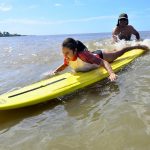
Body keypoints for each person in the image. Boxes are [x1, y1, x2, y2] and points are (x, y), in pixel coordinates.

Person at [53, 38, 148, 81]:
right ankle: (115, 49)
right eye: (63, 53)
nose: (65, 56)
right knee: (114, 51)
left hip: (101, 55)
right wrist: (55, 72)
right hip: (92, 55)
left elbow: (103, 62)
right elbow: (64, 65)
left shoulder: (84, 56)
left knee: (120, 53)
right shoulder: (68, 58)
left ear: (75, 50)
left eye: (67, 53)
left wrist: (111, 73)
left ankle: (136, 46)